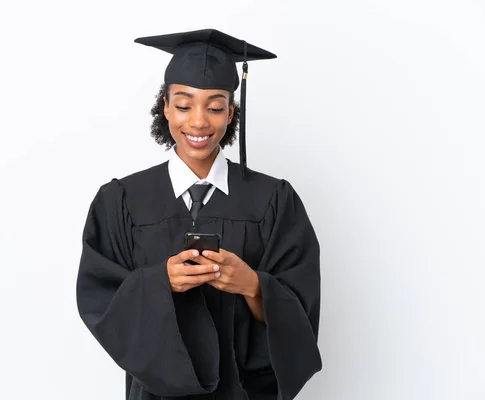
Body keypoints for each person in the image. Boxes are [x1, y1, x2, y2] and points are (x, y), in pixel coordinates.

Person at [76, 29, 322, 400]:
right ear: (165, 107)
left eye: (215, 106)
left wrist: (254, 286)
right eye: (184, 104)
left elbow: (302, 309)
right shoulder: (122, 200)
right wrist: (160, 283)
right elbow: (100, 302)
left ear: (231, 113)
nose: (198, 122)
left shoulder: (274, 199)